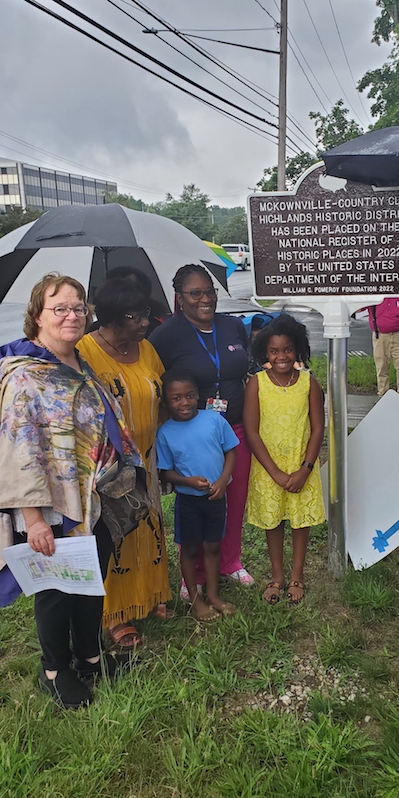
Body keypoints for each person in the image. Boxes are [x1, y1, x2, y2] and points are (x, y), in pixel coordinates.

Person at [0, 274, 142, 709]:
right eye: (60, 308)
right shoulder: (26, 379)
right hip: (53, 506)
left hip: (94, 499)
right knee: (56, 592)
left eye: (78, 307)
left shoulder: (78, 364)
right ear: (37, 317)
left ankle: (91, 659)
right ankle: (55, 672)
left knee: (89, 583)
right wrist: (35, 520)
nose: (72, 315)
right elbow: (21, 452)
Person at [149, 264, 254, 593]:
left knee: (233, 499)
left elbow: (247, 369)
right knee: (195, 502)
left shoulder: (233, 327)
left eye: (210, 291)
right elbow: (150, 378)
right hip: (190, 434)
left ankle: (230, 561)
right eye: (196, 293)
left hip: (233, 429)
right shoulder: (165, 336)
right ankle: (190, 574)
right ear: (180, 298)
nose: (205, 299)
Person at [78, 278, 171, 648]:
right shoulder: (83, 351)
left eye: (147, 314)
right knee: (114, 534)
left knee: (146, 527)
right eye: (138, 316)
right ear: (114, 318)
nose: (146, 322)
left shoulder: (146, 349)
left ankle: (148, 595)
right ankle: (116, 614)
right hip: (107, 468)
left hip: (145, 459)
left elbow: (161, 394)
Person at [243, 315, 325, 605]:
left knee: (300, 521)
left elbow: (317, 428)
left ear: (298, 350)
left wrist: (306, 468)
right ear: (265, 352)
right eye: (275, 351)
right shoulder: (257, 383)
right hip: (269, 468)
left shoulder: (308, 382)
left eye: (288, 350)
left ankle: (297, 575)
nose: (282, 356)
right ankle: (277, 575)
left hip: (301, 465)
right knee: (273, 520)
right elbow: (251, 432)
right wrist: (275, 472)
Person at [156, 369, 239, 621]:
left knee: (213, 546)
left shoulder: (214, 420)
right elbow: (165, 472)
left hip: (216, 496)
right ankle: (195, 599)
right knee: (190, 549)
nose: (185, 403)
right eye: (177, 398)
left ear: (198, 395)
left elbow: (231, 451)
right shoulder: (165, 433)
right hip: (188, 501)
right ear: (166, 402)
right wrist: (187, 481)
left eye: (190, 396)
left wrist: (224, 481)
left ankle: (213, 594)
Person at [365, 297, 399, 396]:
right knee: (382, 366)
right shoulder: (374, 293)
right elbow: (358, 308)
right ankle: (383, 393)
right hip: (380, 336)